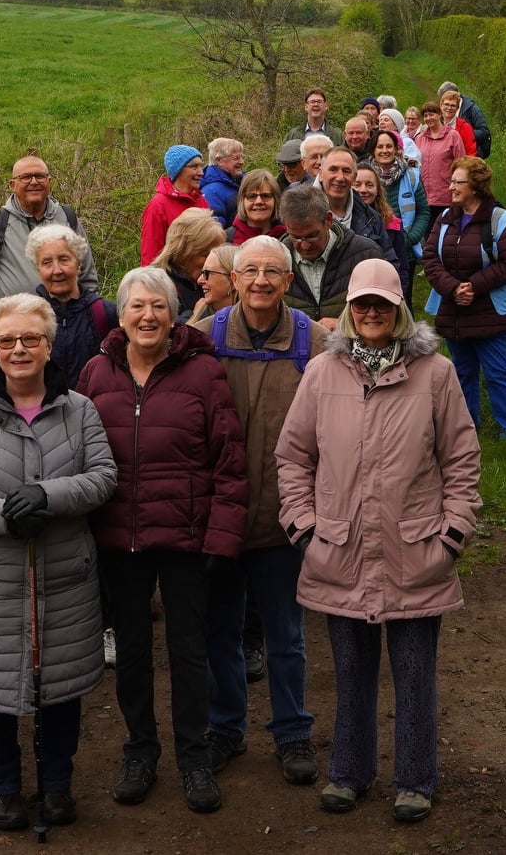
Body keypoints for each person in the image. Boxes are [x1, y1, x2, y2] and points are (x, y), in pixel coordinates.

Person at [275, 258, 482, 824]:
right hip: (338, 549)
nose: (371, 313)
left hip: (416, 550)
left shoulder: (435, 375)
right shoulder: (322, 373)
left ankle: (415, 780)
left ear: (399, 310)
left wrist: (452, 535)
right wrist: (304, 529)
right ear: (348, 310)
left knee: (414, 675)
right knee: (350, 672)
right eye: (362, 303)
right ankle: (349, 772)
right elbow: (293, 456)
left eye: (382, 304)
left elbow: (462, 459)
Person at [0, 294, 118, 832]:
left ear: (49, 344)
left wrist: (48, 496)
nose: (19, 349)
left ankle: (56, 784)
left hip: (64, 574)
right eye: (7, 340)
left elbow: (103, 477)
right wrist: (3, 515)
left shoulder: (79, 409)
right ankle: (2, 789)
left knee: (60, 688)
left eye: (30, 338)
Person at [77, 268, 247, 814]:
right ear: (122, 314)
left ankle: (194, 757)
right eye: (137, 306)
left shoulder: (202, 372)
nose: (147, 316)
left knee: (189, 652)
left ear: (174, 314)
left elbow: (230, 462)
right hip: (117, 537)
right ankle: (140, 751)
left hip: (185, 537)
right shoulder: (96, 372)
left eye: (158, 306)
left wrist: (221, 540)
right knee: (130, 652)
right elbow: (74, 451)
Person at [201, 236, 317, 788]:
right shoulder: (205, 339)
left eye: (273, 271)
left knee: (285, 636)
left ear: (289, 281)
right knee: (220, 633)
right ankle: (225, 727)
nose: (261, 281)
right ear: (234, 279)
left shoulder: (315, 342)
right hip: (219, 519)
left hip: (283, 520)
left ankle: (292, 731)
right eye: (250, 271)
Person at [420, 156, 506, 439]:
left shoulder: (500, 220)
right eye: (452, 181)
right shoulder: (445, 218)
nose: (451, 187)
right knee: (462, 373)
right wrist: (453, 289)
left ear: (476, 186)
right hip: (453, 310)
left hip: (489, 310)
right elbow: (430, 258)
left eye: (459, 182)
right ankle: (466, 427)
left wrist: (472, 287)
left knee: (498, 372)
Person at [0, 155, 99, 356]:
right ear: (12, 185)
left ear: (49, 181)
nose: (34, 182)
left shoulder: (67, 218)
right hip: (15, 341)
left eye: (40, 176)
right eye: (26, 177)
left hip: (68, 335)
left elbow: (88, 278)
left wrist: (86, 326)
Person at [279, 185, 384, 329]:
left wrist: (344, 326)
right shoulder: (276, 261)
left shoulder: (366, 255)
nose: (304, 246)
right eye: (296, 237)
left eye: (312, 236)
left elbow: (387, 315)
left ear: (328, 220)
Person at [25, 223, 116, 383]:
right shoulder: (29, 317)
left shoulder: (105, 313)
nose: (57, 270)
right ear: (38, 270)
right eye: (47, 262)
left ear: (78, 264)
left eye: (64, 259)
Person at [318, 147, 397, 266]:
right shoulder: (303, 210)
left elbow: (390, 263)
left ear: (354, 177)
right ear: (320, 174)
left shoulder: (371, 218)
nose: (340, 177)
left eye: (346, 171)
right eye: (333, 169)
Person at [151, 208, 227, 323]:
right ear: (183, 252)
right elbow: (157, 329)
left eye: (216, 255)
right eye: (205, 255)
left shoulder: (213, 278)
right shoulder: (154, 283)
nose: (211, 262)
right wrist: (194, 316)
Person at [141, 144, 209, 267]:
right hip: (170, 277)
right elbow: (150, 254)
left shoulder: (200, 200)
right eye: (194, 167)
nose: (201, 173)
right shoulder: (158, 206)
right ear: (178, 171)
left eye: (201, 166)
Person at [370, 129, 431, 258]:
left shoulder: (411, 176)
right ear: (373, 150)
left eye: (389, 146)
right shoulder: (364, 177)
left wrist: (410, 239)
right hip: (373, 249)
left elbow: (423, 212)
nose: (384, 150)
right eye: (380, 147)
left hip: (406, 250)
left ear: (396, 149)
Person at [355, 165, 411, 296]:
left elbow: (402, 266)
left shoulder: (392, 223)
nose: (363, 190)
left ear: (377, 190)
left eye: (369, 185)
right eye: (357, 184)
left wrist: (399, 295)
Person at [413, 102, 466, 226]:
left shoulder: (452, 136)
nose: (428, 118)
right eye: (425, 115)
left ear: (440, 115)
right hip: (423, 198)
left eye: (431, 114)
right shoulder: (419, 138)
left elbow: (462, 165)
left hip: (446, 197)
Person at [229, 168, 286, 244]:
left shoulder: (288, 238)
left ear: (276, 200)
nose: (258, 202)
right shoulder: (227, 239)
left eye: (265, 196)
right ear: (242, 200)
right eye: (252, 196)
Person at [437, 80, 493, 158]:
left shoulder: (472, 109)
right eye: (445, 102)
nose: (449, 107)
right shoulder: (441, 115)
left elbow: (484, 133)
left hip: (472, 153)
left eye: (452, 105)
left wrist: (464, 133)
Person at [188, 242, 238, 326]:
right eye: (202, 272)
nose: (199, 280)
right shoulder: (198, 322)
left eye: (207, 273)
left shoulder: (252, 325)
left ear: (233, 280)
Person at [201, 137, 246, 226]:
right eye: (236, 158)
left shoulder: (242, 181)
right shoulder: (211, 191)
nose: (242, 162)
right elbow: (214, 228)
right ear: (219, 160)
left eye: (242, 157)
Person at [440, 90, 478, 158]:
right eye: (446, 104)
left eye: (453, 105)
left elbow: (471, 153)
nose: (449, 108)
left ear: (457, 108)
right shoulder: (433, 125)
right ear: (441, 105)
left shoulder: (465, 127)